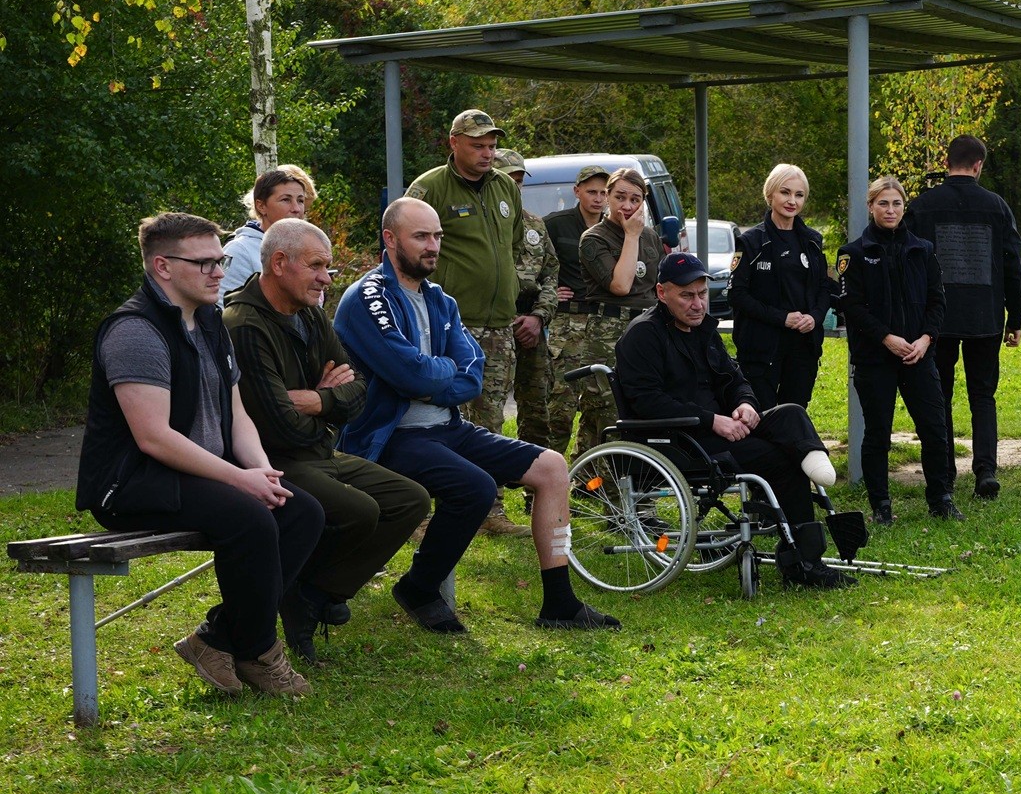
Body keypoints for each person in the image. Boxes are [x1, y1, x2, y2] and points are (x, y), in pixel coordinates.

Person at [334, 198, 619, 633]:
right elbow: (410, 374)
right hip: (389, 437)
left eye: (438, 237)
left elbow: (473, 372)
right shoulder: (367, 297)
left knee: (552, 467)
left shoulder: (439, 299)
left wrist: (435, 374)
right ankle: (420, 587)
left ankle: (559, 603)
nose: (433, 246)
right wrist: (437, 372)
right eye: (421, 237)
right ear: (390, 240)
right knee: (475, 487)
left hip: (448, 428)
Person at [78, 212, 322, 697]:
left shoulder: (210, 320)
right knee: (249, 518)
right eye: (206, 262)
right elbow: (154, 439)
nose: (219, 271)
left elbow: (238, 415)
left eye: (221, 259)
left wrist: (260, 469)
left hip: (195, 477)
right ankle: (257, 653)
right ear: (163, 267)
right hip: (131, 482)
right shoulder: (135, 331)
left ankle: (217, 639)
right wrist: (239, 481)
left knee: (301, 511)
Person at [223, 218, 428, 663]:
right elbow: (277, 427)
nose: (326, 279)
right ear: (279, 263)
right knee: (360, 510)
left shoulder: (310, 313)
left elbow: (359, 389)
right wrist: (328, 402)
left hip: (319, 450)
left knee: (409, 500)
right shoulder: (243, 325)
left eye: (328, 267)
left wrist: (315, 401)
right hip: (275, 460)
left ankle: (312, 590)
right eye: (317, 266)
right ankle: (300, 596)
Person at [615, 251, 852, 590]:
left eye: (702, 294)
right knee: (782, 460)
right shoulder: (642, 336)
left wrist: (744, 403)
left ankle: (815, 461)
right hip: (679, 440)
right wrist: (712, 420)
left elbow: (733, 377)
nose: (698, 304)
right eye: (687, 295)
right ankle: (805, 563)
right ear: (661, 293)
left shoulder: (703, 330)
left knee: (790, 413)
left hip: (719, 429)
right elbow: (647, 401)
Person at [404, 108, 538, 536]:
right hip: (448, 324)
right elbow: (405, 249)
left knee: (491, 419)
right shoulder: (430, 188)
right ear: (454, 143)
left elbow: (513, 243)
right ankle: (425, 510)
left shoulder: (504, 188)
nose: (487, 153)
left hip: (498, 325)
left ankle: (490, 510)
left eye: (492, 145)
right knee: (437, 419)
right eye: (478, 145)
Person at [904, 135, 1021, 501]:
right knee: (982, 395)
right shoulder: (997, 206)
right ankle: (985, 470)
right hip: (985, 317)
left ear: (947, 162)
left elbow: (909, 265)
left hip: (936, 320)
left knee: (939, 394)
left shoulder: (922, 206)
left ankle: (944, 469)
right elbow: (1012, 265)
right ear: (978, 165)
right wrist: (1015, 316)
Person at [836, 176, 959, 524]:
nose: (890, 210)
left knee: (935, 428)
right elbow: (853, 307)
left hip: (919, 355)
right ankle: (881, 505)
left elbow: (938, 301)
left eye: (896, 204)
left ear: (904, 207)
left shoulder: (923, 249)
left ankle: (941, 498)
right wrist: (887, 338)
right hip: (876, 358)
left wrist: (926, 339)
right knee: (878, 433)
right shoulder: (853, 254)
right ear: (871, 206)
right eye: (883, 203)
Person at [730, 163, 831, 410]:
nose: (792, 201)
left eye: (799, 195)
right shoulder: (751, 242)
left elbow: (825, 288)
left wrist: (815, 318)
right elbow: (738, 296)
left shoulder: (812, 241)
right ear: (770, 194)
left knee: (794, 416)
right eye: (785, 192)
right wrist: (781, 318)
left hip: (803, 348)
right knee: (762, 418)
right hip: (761, 349)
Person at [577, 166, 664, 451]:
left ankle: (608, 477)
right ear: (608, 198)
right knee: (607, 407)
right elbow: (621, 286)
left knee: (644, 402)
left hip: (645, 326)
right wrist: (631, 236)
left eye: (635, 199)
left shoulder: (650, 236)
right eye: (620, 197)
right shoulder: (594, 237)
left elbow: (655, 286)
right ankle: (606, 481)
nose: (627, 206)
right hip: (608, 330)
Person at [541, 163, 612, 456]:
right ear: (577, 191)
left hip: (602, 322)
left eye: (604, 192)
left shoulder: (614, 228)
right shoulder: (556, 224)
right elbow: (529, 263)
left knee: (600, 403)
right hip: (567, 321)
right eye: (591, 191)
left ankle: (587, 477)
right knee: (560, 406)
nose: (598, 198)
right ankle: (543, 480)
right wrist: (547, 291)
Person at [496, 149, 561, 463]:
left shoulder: (534, 225)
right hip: (492, 327)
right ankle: (487, 490)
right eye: (509, 179)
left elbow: (551, 275)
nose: (515, 187)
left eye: (519, 181)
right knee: (486, 413)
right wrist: (509, 321)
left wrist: (538, 318)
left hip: (532, 329)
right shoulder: (479, 226)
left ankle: (536, 490)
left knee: (537, 411)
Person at [219, 165, 316, 296]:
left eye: (300, 201)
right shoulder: (240, 251)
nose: (296, 208)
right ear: (261, 206)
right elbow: (224, 307)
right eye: (286, 200)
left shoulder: (304, 248)